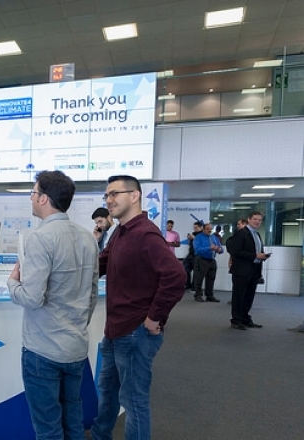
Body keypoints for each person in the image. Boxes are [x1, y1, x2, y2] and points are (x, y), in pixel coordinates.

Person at [90, 175, 186, 440]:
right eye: (107, 195)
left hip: (135, 333)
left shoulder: (145, 233)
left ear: (135, 196)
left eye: (115, 194)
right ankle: (100, 435)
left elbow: (176, 277)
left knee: (134, 402)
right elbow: (100, 265)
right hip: (114, 332)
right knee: (107, 392)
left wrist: (155, 317)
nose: (109, 200)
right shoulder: (120, 232)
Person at [6, 171, 98, 439]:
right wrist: (76, 324)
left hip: (43, 349)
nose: (31, 198)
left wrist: (13, 284)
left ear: (44, 198)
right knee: (73, 420)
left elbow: (32, 298)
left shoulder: (40, 238)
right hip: (75, 346)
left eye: (33, 193)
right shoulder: (87, 238)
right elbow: (92, 294)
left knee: (48, 427)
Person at [227, 211, 268, 330]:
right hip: (242, 270)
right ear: (249, 219)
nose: (257, 222)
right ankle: (236, 320)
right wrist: (255, 255)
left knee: (249, 296)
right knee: (239, 296)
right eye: (255, 219)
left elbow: (256, 250)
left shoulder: (257, 234)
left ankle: (245, 318)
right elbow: (236, 252)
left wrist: (262, 256)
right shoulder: (241, 233)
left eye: (259, 220)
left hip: (254, 269)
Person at [192, 223, 223, 302]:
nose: (209, 230)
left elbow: (220, 247)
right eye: (207, 229)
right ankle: (198, 295)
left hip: (211, 259)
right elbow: (197, 250)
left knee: (211, 278)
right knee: (199, 278)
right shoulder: (198, 237)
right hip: (201, 259)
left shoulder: (214, 237)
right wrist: (209, 248)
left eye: (210, 229)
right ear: (203, 229)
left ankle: (209, 295)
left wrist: (219, 250)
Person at [182, 221, 203, 291]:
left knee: (196, 272)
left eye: (196, 228)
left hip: (198, 255)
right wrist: (190, 239)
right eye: (194, 228)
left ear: (201, 227)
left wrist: (194, 238)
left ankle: (194, 287)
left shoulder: (203, 235)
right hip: (190, 253)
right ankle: (187, 284)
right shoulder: (193, 234)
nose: (195, 229)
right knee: (185, 268)